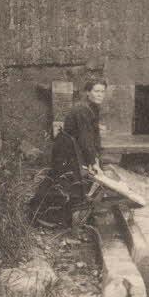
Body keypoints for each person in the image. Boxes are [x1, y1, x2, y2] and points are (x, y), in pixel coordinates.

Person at [40, 81, 106, 225]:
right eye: (96, 91)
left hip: (74, 147)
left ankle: (69, 215)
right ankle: (44, 215)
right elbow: (85, 138)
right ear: (88, 92)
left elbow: (94, 136)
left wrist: (96, 157)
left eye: (102, 91)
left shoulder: (92, 108)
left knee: (70, 180)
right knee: (64, 180)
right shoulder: (83, 110)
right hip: (67, 149)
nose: (100, 94)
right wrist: (92, 162)